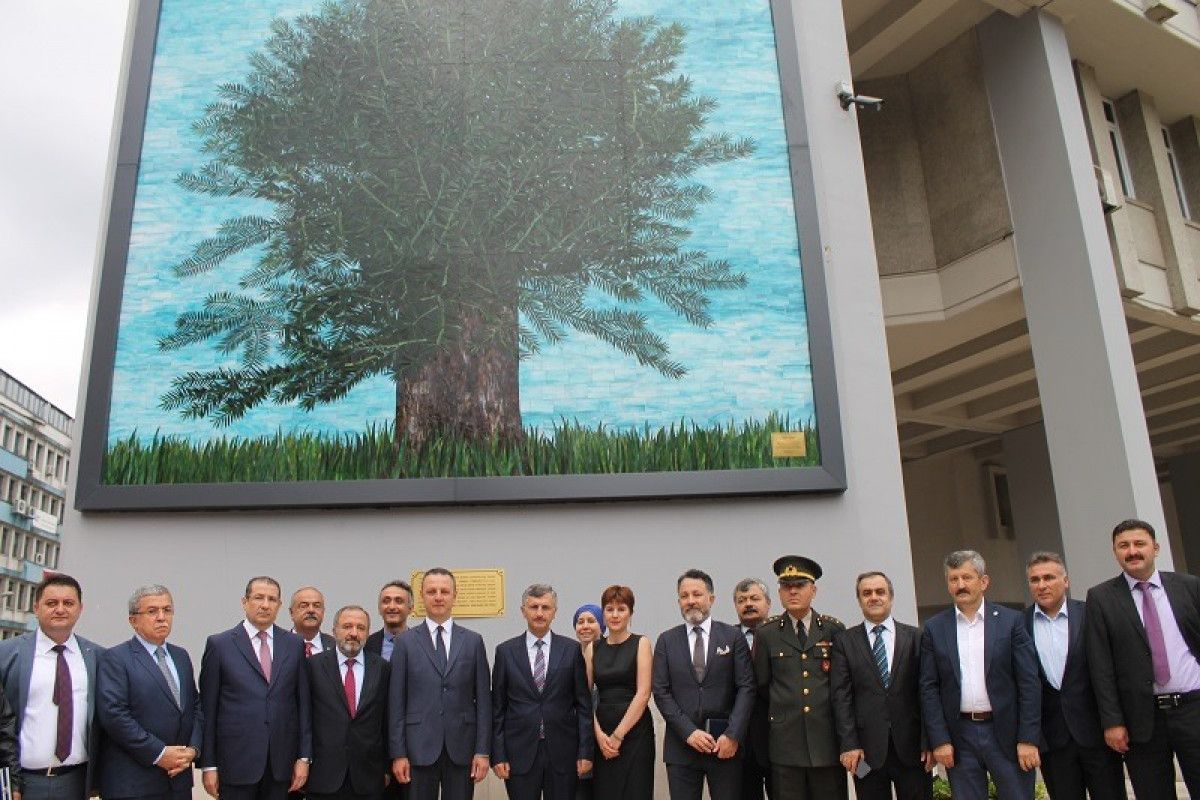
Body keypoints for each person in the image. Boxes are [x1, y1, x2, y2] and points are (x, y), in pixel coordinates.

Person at [1086, 518, 1200, 799]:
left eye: (1139, 544)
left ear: (1155, 548)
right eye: (1123, 546)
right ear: (1115, 552)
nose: (1132, 551)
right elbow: (1100, 665)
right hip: (1141, 720)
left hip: (1193, 709)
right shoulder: (1101, 598)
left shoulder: (1189, 586)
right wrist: (1112, 721)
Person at [919, 550, 1041, 800]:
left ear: (984, 582)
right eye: (954, 579)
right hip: (960, 737)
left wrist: (1028, 739)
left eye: (967, 577)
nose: (960, 585)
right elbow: (929, 687)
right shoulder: (935, 628)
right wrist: (940, 740)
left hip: (1006, 733)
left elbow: (1029, 682)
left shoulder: (1011, 621)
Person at [199, 576, 312, 800]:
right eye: (259, 598)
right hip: (236, 763)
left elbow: (303, 704)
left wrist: (303, 757)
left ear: (279, 605)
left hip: (281, 764)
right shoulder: (220, 645)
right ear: (245, 602)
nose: (265, 605)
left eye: (272, 599)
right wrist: (209, 765)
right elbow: (208, 709)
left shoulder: (294, 644)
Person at [1023, 552, 1124, 800]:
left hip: (1098, 735)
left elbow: (1110, 671)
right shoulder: (1019, 624)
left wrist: (1115, 722)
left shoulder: (1091, 614)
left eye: (1049, 577)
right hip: (1053, 741)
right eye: (1035, 580)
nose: (1042, 585)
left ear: (1065, 581)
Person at [388, 568, 490, 800]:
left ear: (455, 596)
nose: (438, 597)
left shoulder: (473, 641)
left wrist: (482, 751)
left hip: (462, 748)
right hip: (417, 748)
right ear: (422, 597)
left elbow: (484, 700)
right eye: (431, 591)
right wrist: (398, 753)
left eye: (444, 591)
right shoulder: (404, 643)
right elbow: (396, 702)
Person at [652, 569, 755, 799]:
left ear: (711, 598)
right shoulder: (666, 640)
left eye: (697, 594)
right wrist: (689, 732)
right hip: (682, 747)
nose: (690, 601)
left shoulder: (732, 637)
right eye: (684, 596)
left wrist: (733, 734)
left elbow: (746, 688)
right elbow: (660, 691)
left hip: (724, 745)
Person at [0, 572, 103, 800]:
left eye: (68, 603)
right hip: (22, 783)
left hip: (76, 782)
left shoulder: (98, 658)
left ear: (80, 609)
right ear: (36, 608)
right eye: (51, 603)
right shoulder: (6, 654)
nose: (60, 609)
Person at [751, 555, 846, 800]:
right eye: (786, 586)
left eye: (800, 585)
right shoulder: (767, 633)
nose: (792, 591)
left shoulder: (833, 630)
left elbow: (842, 685)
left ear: (813, 590)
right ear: (779, 593)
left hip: (826, 743)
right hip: (786, 745)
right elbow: (762, 685)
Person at [96, 584, 203, 800]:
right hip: (134, 783)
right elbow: (115, 715)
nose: (162, 617)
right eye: (152, 611)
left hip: (178, 781)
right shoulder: (116, 658)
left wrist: (193, 749)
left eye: (167, 610)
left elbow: (195, 706)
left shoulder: (181, 656)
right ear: (133, 620)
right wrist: (159, 753)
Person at [830, 571, 930, 800]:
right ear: (859, 600)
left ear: (890, 597)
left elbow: (926, 692)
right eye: (867, 593)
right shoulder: (844, 642)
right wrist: (849, 744)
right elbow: (841, 696)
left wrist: (929, 741)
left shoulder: (915, 637)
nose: (874, 597)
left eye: (880, 592)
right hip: (864, 753)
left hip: (914, 750)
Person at [492, 584, 594, 799]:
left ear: (554, 612)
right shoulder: (505, 652)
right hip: (519, 753)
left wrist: (586, 751)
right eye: (534, 607)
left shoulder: (571, 650)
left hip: (563, 752)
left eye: (545, 607)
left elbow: (584, 706)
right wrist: (498, 754)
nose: (539, 613)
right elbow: (498, 708)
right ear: (523, 611)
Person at [306, 606, 391, 800]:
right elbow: (304, 718)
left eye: (361, 628)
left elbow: (387, 720)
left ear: (368, 633)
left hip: (369, 776)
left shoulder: (382, 668)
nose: (354, 633)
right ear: (334, 630)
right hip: (323, 775)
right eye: (347, 626)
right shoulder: (312, 666)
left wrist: (386, 767)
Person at [585, 585, 654, 800]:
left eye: (621, 609)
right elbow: (584, 697)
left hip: (635, 732)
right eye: (609, 609)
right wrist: (599, 735)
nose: (615, 615)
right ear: (603, 614)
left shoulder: (641, 643)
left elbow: (643, 693)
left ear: (631, 613)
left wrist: (618, 735)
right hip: (602, 734)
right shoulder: (592, 648)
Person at [732, 578, 772, 800]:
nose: (748, 604)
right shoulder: (724, 637)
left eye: (754, 598)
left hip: (778, 739)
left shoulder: (781, 635)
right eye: (742, 600)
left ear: (768, 603)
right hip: (739, 743)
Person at [572, 605, 605, 800]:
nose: (585, 626)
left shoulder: (609, 659)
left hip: (605, 742)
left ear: (602, 625)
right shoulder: (569, 656)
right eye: (580, 622)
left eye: (591, 621)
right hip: (577, 747)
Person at [365, 581, 413, 662]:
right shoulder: (366, 645)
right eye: (386, 601)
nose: (392, 607)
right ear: (379, 608)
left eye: (399, 601)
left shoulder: (422, 644)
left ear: (411, 609)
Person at [290, 587, 335, 657]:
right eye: (303, 606)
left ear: (323, 612)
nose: (311, 610)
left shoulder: (335, 646)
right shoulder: (278, 644)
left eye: (317, 606)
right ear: (291, 613)